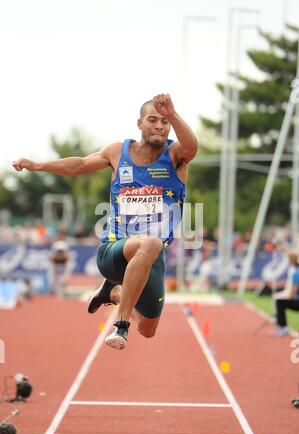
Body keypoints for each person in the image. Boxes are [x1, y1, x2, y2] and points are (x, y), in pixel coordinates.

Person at [12, 93, 198, 350]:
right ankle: (121, 324)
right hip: (115, 249)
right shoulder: (117, 152)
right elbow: (79, 165)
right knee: (150, 243)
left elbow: (191, 148)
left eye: (165, 122)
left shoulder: (176, 155)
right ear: (139, 123)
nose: (160, 126)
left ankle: (113, 292)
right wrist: (38, 165)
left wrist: (174, 114)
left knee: (148, 329)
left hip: (152, 257)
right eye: (153, 120)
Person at [271, 249, 299, 336]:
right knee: (279, 300)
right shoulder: (294, 271)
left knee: (279, 302)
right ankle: (281, 324)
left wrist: (281, 296)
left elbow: (292, 294)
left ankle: (282, 327)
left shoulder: (296, 273)